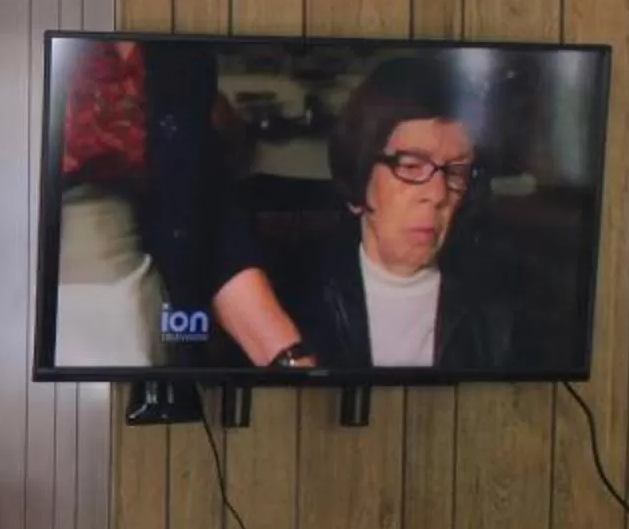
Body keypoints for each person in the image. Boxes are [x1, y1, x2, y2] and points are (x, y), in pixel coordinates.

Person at [219, 53, 527, 373]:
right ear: (359, 180)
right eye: (410, 166)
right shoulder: (288, 300)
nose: (436, 195)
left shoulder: (501, 308)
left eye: (456, 172)